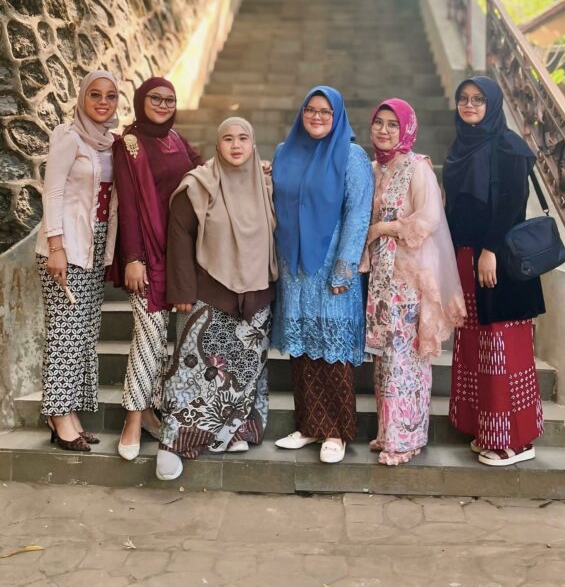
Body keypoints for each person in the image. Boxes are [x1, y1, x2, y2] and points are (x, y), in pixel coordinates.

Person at [156, 117, 277, 481]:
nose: (236, 145)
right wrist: (181, 291)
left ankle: (234, 432)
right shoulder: (198, 184)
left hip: (256, 295)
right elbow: (179, 236)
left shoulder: (265, 184)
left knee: (242, 373)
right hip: (208, 293)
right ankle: (175, 442)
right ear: (217, 144)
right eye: (228, 139)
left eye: (243, 138)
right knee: (193, 373)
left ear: (253, 144)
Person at [443, 76, 545, 467]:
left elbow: (511, 203)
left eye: (478, 99)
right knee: (476, 346)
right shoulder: (460, 146)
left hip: (498, 262)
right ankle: (487, 429)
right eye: (463, 99)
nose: (469, 105)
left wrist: (489, 250)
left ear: (493, 104)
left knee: (503, 347)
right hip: (466, 258)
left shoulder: (508, 146)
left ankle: (517, 440)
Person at [359, 98, 466, 466]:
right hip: (380, 279)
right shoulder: (373, 167)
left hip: (408, 277)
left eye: (393, 124)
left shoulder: (417, 167)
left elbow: (429, 218)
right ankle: (388, 432)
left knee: (405, 359)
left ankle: (406, 437)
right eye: (379, 122)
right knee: (386, 359)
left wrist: (382, 228)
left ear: (406, 129)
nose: (384, 130)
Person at [271, 86, 373, 464]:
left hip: (332, 268)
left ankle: (336, 432)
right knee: (303, 349)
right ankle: (310, 425)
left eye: (325, 111)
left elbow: (358, 214)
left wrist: (345, 268)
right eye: (310, 109)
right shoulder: (285, 152)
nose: (316, 116)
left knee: (333, 349)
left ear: (338, 116)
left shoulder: (351, 156)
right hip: (294, 267)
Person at [110, 77, 204, 460]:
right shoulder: (129, 144)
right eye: (156, 98)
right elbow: (129, 204)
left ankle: (150, 411)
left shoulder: (177, 140)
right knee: (148, 336)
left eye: (170, 99)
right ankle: (132, 419)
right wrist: (133, 257)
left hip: (178, 252)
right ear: (140, 100)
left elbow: (204, 171)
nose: (164, 105)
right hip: (146, 253)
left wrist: (251, 169)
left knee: (165, 338)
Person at [36, 69, 120, 451]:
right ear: (82, 98)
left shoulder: (111, 143)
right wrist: (56, 247)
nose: (103, 102)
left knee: (83, 333)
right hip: (65, 246)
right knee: (65, 331)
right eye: (95, 94)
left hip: (94, 245)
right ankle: (58, 415)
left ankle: (69, 414)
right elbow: (52, 192)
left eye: (110, 95)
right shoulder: (68, 137)